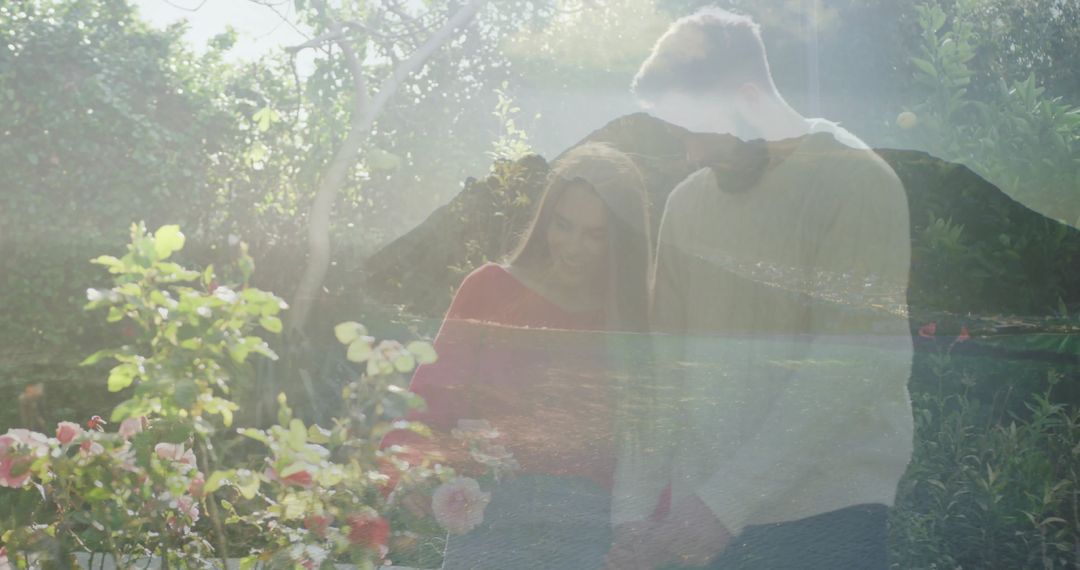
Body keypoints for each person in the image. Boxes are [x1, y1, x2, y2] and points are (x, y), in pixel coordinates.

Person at [607, 8, 914, 570]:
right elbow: (664, 370)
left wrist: (721, 506)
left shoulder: (856, 181)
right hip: (708, 528)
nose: (690, 154)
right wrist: (630, 515)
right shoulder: (686, 205)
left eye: (695, 130)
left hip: (828, 520)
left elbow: (853, 370)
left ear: (749, 98)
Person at [382, 142, 652, 569]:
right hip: (491, 520)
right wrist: (403, 474)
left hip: (592, 534)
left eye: (595, 234)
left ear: (621, 239)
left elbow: (650, 437)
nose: (573, 246)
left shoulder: (633, 320)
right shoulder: (489, 289)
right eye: (563, 225)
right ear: (545, 219)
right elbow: (431, 399)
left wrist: (649, 535)